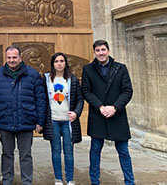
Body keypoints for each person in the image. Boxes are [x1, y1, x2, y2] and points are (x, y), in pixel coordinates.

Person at [0, 45, 46, 185]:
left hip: (26, 121)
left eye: (14, 57)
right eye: (9, 58)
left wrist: (40, 121)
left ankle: (27, 181)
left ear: (20, 58)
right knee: (7, 155)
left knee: (26, 155)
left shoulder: (33, 74)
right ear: (6, 58)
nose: (11, 60)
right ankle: (7, 181)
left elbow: (40, 99)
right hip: (5, 121)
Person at [82, 40, 135, 185]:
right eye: (98, 50)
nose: (101, 53)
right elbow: (86, 91)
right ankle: (95, 181)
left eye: (103, 50)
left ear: (108, 51)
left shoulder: (121, 68)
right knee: (95, 151)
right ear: (94, 53)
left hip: (117, 116)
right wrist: (100, 107)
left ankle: (130, 182)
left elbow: (127, 91)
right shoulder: (88, 69)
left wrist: (114, 107)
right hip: (98, 116)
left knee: (123, 151)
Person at [42, 52, 84, 185]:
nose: (59, 64)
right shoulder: (47, 79)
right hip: (53, 120)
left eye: (61, 61)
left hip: (68, 121)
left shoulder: (72, 79)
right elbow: (41, 99)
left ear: (65, 63)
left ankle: (70, 179)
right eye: (56, 61)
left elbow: (79, 99)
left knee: (68, 151)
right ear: (53, 64)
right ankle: (58, 179)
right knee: (55, 150)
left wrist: (76, 113)